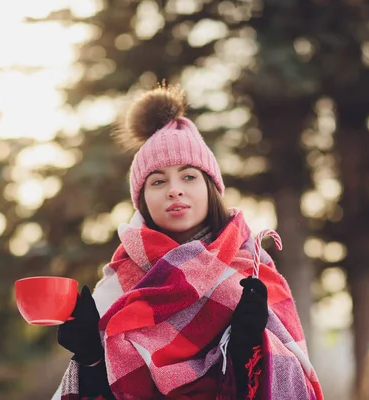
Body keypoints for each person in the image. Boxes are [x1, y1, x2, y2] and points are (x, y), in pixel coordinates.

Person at [52, 85, 323, 399]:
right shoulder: (118, 286)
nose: (174, 190)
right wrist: (90, 359)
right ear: (142, 200)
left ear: (210, 187)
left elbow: (288, 377)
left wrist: (248, 351)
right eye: (158, 181)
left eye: (189, 176)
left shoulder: (253, 269)